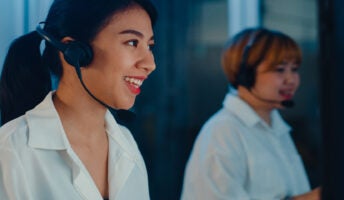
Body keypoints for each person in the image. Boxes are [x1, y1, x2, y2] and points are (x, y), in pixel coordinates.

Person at [0, 0, 157, 199]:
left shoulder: (125, 144)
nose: (150, 64)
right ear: (74, 53)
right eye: (132, 43)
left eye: (149, 46)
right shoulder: (10, 151)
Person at [181, 28, 321, 200]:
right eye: (280, 69)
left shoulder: (276, 129)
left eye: (294, 69)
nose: (291, 79)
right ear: (245, 73)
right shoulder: (223, 132)